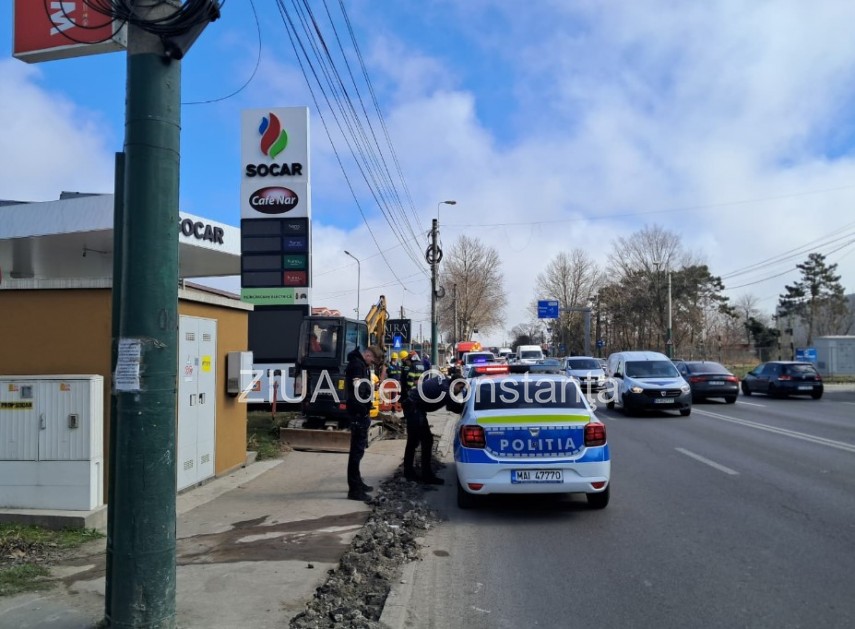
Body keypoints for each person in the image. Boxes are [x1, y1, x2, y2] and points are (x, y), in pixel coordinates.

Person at [401, 374, 467, 484]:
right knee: (426, 440)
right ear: (456, 384)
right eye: (460, 388)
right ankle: (426, 476)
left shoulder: (445, 382)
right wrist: (465, 406)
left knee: (413, 441)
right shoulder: (446, 390)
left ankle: (409, 472)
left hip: (413, 405)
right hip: (414, 408)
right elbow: (453, 407)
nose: (460, 391)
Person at [344, 345, 382, 502]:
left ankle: (357, 483)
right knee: (356, 452)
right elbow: (357, 391)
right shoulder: (357, 366)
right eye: (372, 361)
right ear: (368, 355)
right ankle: (354, 490)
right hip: (358, 414)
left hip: (360, 412)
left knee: (358, 452)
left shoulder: (360, 365)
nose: (371, 364)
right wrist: (362, 409)